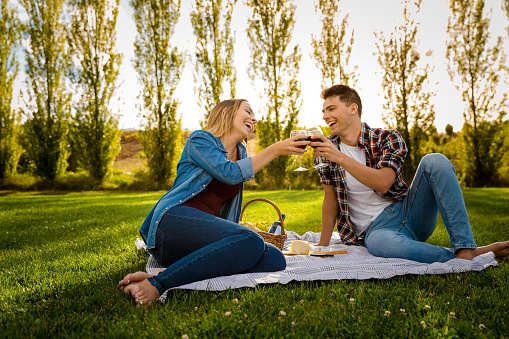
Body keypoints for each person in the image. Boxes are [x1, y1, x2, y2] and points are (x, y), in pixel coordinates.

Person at [119, 99, 310, 306]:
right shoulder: (200, 140)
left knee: (275, 259)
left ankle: (166, 273)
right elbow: (229, 173)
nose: (254, 119)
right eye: (247, 111)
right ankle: (158, 284)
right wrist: (275, 150)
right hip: (172, 224)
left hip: (198, 240)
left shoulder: (241, 153)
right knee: (252, 240)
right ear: (227, 112)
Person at [309, 84, 509, 264]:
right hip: (376, 232)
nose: (325, 116)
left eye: (331, 109)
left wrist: (340, 158)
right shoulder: (327, 149)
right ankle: (472, 255)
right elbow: (330, 200)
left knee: (434, 161)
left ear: (353, 108)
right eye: (324, 111)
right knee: (379, 244)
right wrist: (322, 246)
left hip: (408, 212)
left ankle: (466, 248)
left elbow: (383, 183)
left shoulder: (387, 138)